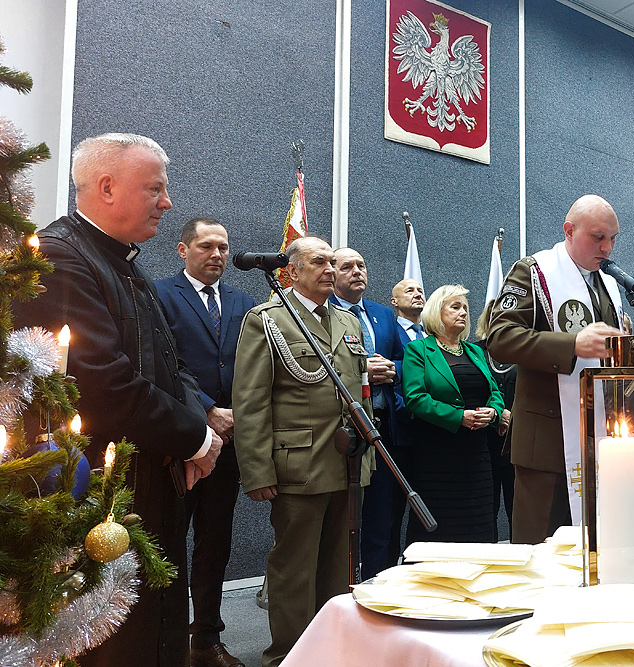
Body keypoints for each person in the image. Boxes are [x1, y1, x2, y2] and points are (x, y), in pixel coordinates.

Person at [12, 133, 222, 667]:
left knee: (157, 628)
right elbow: (102, 385)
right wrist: (196, 439)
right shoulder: (62, 257)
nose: (167, 202)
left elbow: (172, 367)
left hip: (149, 483)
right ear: (106, 187)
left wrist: (199, 423)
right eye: (155, 188)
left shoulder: (125, 263)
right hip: (100, 495)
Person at [233, 236, 373, 667]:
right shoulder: (268, 320)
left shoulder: (348, 323)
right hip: (298, 464)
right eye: (319, 262)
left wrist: (366, 456)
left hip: (346, 465)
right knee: (295, 569)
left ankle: (330, 650)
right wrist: (257, 471)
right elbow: (251, 400)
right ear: (291, 271)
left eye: (333, 262)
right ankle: (288, 656)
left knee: (339, 566)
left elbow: (360, 394)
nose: (330, 269)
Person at [487, 194, 623, 544]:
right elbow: (499, 337)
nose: (607, 248)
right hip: (546, 440)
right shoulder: (534, 271)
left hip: (599, 438)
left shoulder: (608, 285)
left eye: (612, 238)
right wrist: (571, 345)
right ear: (569, 230)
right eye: (598, 237)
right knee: (539, 553)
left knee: (594, 550)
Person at [155, 217, 255, 667]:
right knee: (172, 539)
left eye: (224, 248)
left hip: (231, 444)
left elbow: (253, 365)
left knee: (216, 542)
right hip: (181, 439)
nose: (217, 255)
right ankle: (169, 637)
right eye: (207, 246)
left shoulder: (243, 301)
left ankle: (206, 638)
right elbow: (162, 361)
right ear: (183, 250)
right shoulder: (160, 295)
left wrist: (236, 416)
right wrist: (208, 408)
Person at [402, 285, 505, 543]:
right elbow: (415, 398)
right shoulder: (419, 350)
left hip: (476, 454)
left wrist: (493, 411)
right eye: (456, 307)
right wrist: (459, 416)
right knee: (439, 526)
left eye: (466, 309)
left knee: (479, 521)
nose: (464, 313)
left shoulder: (475, 351)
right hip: (437, 454)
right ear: (437, 311)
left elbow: (495, 391)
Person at [330, 247, 406, 579]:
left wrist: (394, 368)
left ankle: (380, 585)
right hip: (342, 432)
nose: (357, 271)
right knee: (341, 518)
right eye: (347, 266)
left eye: (361, 265)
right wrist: (363, 370)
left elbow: (408, 359)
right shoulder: (322, 312)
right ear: (332, 273)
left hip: (383, 429)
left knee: (381, 516)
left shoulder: (383, 315)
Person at [476, 300, 516, 538]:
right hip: (482, 442)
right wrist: (497, 412)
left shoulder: (527, 353)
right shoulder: (474, 351)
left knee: (519, 511)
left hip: (518, 444)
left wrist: (514, 415)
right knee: (484, 511)